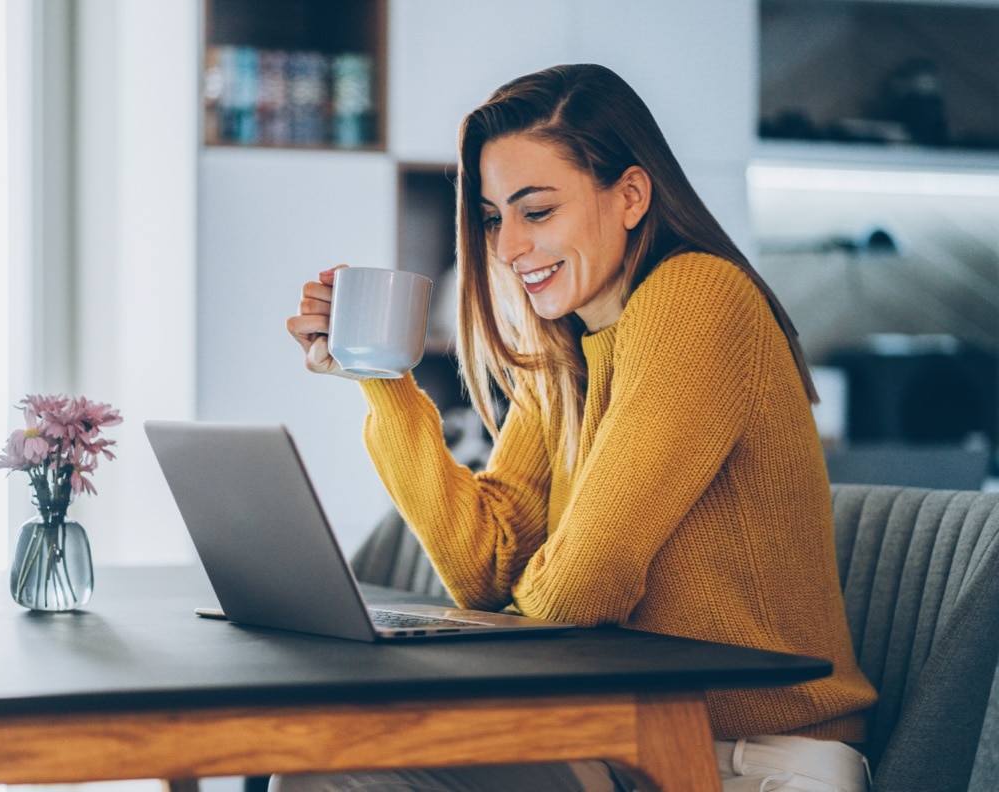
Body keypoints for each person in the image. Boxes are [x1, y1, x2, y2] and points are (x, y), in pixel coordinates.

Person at [283, 64, 877, 792]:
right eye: (496, 217)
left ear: (629, 196)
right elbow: (484, 570)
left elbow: (580, 591)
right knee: (325, 765)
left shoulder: (697, 297)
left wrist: (528, 597)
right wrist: (383, 381)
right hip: (624, 737)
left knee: (335, 774)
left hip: (754, 760)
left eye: (536, 212)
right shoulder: (563, 352)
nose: (505, 249)